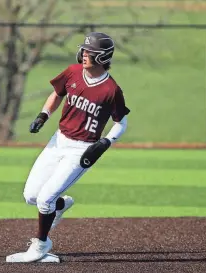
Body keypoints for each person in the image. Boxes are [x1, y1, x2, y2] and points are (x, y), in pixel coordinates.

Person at [11, 32, 130, 262]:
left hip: (81, 150)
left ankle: (41, 245)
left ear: (103, 57)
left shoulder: (111, 89)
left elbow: (121, 122)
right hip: (58, 141)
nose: (85, 55)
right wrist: (43, 115)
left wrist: (105, 142)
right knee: (31, 196)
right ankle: (61, 205)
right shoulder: (73, 72)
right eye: (84, 50)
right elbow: (57, 94)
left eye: (90, 52)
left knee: (45, 199)